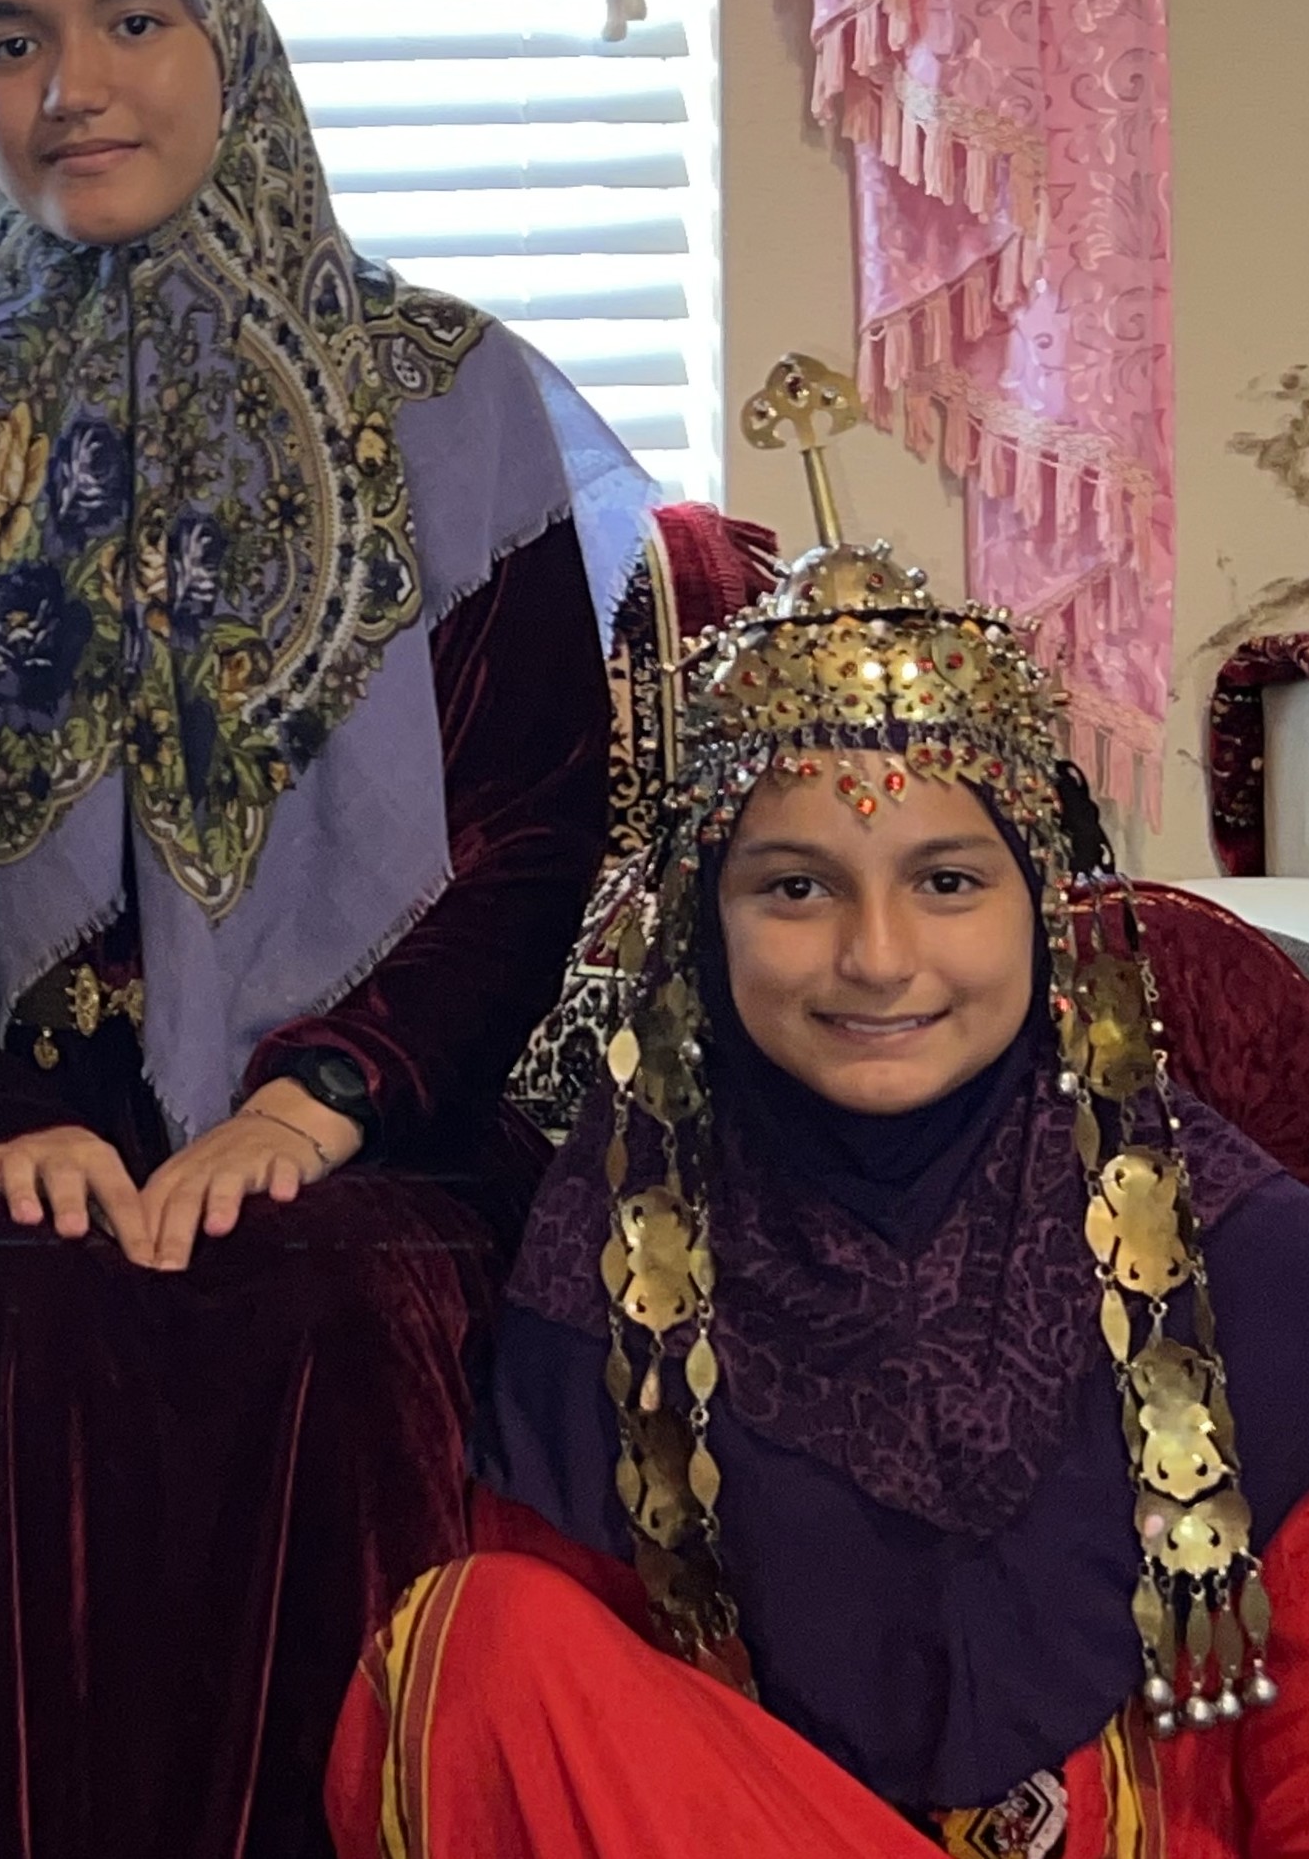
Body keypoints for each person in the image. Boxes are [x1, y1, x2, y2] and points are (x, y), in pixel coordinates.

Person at [0, 0, 643, 1859]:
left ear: (232, 43)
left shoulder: (445, 394)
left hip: (370, 1119)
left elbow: (532, 821)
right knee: (16, 1303)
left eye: (130, 20)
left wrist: (320, 1099)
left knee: (313, 1305)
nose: (70, 88)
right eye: (6, 44)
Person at [332, 541, 1309, 1856]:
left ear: (1043, 906)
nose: (877, 958)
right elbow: (596, 1748)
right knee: (480, 1649)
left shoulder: (1238, 1255)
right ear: (705, 919)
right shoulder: (618, 1243)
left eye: (947, 882)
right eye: (795, 887)